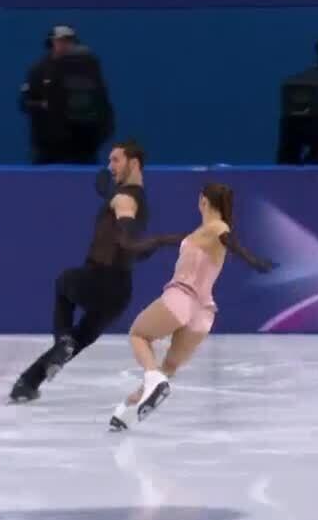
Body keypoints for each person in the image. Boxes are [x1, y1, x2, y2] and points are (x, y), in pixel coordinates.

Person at [9, 140, 172, 403]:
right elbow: (133, 246)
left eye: (115, 160)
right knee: (80, 338)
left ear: (134, 163)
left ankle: (60, 342)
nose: (110, 166)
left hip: (99, 278)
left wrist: (144, 240)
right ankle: (27, 383)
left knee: (64, 283)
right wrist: (147, 246)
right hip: (120, 293)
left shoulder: (124, 198)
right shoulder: (136, 197)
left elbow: (126, 228)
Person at [109, 182, 275, 431]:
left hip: (182, 298)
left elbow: (228, 239)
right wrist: (131, 244)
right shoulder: (200, 233)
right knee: (168, 367)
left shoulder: (217, 227)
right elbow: (164, 240)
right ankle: (127, 412)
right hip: (203, 315)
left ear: (203, 201)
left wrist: (253, 260)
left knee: (138, 334)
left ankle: (152, 381)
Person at [19, 25, 115, 165]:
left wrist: (101, 134)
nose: (65, 45)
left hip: (83, 148)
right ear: (51, 43)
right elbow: (24, 103)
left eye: (69, 41)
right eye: (60, 41)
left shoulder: (88, 69)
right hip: (48, 149)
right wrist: (45, 106)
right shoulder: (39, 70)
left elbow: (102, 103)